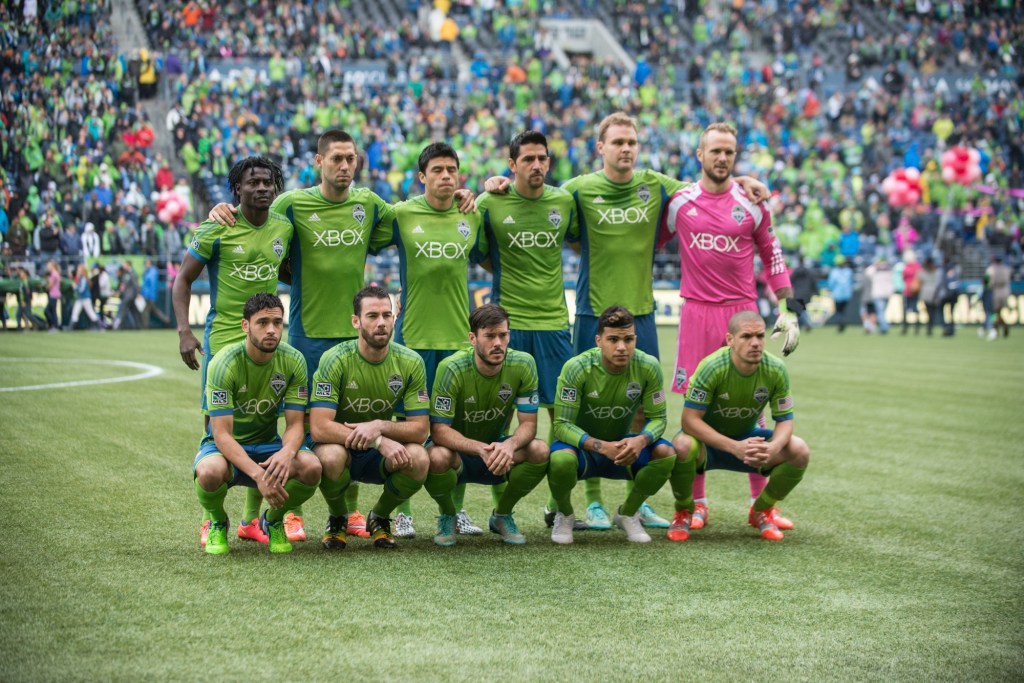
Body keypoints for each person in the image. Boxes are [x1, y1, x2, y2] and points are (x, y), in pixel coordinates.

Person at [489, 113, 767, 530]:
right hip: (590, 313)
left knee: (642, 408)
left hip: (642, 312)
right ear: (600, 148)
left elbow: (710, 190)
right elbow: (536, 196)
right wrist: (500, 183)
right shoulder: (579, 190)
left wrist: (743, 181)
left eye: (632, 143)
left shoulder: (654, 185)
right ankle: (594, 501)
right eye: (617, 142)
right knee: (582, 406)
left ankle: (637, 502)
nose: (626, 149)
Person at [209, 130, 476, 540]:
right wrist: (223, 209)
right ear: (319, 162)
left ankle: (350, 512)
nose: (345, 165)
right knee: (285, 425)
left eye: (351, 158)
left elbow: (419, 213)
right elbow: (259, 222)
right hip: (307, 334)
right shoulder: (293, 203)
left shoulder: (369, 204)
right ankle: (269, 515)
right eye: (336, 158)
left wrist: (465, 194)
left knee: (350, 422)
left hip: (356, 334)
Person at [657, 122, 799, 535]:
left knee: (752, 404)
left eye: (730, 152)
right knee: (694, 409)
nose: (722, 158)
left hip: (743, 312)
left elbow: (773, 255)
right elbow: (649, 242)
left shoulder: (753, 202)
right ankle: (696, 505)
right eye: (715, 151)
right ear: (699, 155)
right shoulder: (679, 202)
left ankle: (761, 505)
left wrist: (789, 309)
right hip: (697, 312)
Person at [172, 155, 294, 545]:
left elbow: (291, 270)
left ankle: (250, 519)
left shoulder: (284, 228)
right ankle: (213, 518)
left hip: (266, 338)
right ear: (236, 189)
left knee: (264, 424)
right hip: (223, 339)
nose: (261, 188)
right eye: (252, 182)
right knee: (216, 428)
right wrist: (183, 332)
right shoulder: (216, 227)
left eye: (268, 182)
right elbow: (182, 280)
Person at [376, 141, 485, 539]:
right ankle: (402, 512)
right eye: (436, 170)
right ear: (421, 176)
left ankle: (452, 512)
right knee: (405, 427)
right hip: (412, 340)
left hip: (458, 340)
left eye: (451, 170)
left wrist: (492, 186)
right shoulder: (402, 214)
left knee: (454, 431)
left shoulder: (470, 214)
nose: (445, 176)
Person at [474, 130, 582, 530]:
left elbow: (576, 242)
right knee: (501, 417)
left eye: (543, 158)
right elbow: (484, 256)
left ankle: (559, 508)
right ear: (511, 163)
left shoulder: (564, 202)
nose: (537, 165)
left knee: (561, 415)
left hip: (554, 323)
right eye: (528, 159)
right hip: (509, 325)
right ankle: (503, 512)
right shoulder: (490, 203)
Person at [193, 292, 321, 555]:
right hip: (225, 446)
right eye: (262, 322)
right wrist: (259, 475)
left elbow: (296, 424)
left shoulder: (293, 360)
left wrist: (286, 453)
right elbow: (221, 434)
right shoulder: (223, 364)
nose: (271, 330)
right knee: (208, 472)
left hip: (267, 444)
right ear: (245, 326)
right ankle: (217, 521)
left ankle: (273, 520)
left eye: (277, 322)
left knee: (311, 467)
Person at [308, 286, 430, 550]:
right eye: (372, 316)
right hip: (340, 447)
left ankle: (379, 517)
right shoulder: (335, 360)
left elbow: (421, 431)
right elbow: (318, 428)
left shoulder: (411, 362)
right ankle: (339, 518)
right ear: (356, 321)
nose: (381, 323)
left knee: (419, 458)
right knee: (329, 457)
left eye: (387, 315)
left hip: (376, 453)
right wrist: (378, 441)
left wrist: (378, 427)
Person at [672, 311, 810, 541]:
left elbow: (785, 420)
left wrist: (773, 447)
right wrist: (734, 447)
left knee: (799, 450)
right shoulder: (712, 366)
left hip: (749, 440)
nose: (755, 343)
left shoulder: (775, 369)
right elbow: (689, 420)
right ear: (730, 340)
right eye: (746, 336)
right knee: (682, 445)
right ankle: (685, 510)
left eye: (759, 336)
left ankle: (761, 510)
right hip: (709, 445)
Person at [546, 306, 678, 545]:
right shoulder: (577, 367)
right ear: (599, 340)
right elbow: (561, 425)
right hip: (585, 452)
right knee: (560, 460)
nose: (621, 347)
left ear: (635, 339)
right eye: (613, 339)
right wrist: (601, 446)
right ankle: (564, 514)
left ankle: (627, 513)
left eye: (628, 339)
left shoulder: (648, 366)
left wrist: (641, 439)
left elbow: (659, 418)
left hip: (624, 449)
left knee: (666, 453)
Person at [423, 304, 550, 546]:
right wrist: (481, 448)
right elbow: (439, 430)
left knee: (540, 450)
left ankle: (502, 515)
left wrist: (509, 445)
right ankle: (448, 515)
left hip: (498, 451)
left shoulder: (523, 364)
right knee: (436, 456)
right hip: (459, 452)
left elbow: (529, 425)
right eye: (490, 336)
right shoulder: (451, 368)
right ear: (473, 338)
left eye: (503, 335)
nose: (498, 343)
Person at [983, 255, 1011, 340]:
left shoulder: (991, 269)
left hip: (995, 291)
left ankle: (995, 329)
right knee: (998, 312)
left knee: (993, 313)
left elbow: (986, 280)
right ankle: (1004, 325)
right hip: (1005, 291)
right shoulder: (1006, 269)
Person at [68, 264, 102, 330]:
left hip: (85, 298)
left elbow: (81, 289)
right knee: (75, 312)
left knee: (90, 312)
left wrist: (75, 287)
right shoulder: (80, 278)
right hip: (80, 298)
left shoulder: (84, 279)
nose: (78, 271)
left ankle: (97, 326)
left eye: (79, 270)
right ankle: (71, 327)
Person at [140, 258, 170, 328]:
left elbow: (153, 285)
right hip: (147, 295)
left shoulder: (152, 272)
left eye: (147, 263)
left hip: (149, 295)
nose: (146, 264)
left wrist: (152, 296)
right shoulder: (148, 271)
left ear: (150, 263)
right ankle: (166, 320)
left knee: (146, 311)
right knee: (154, 311)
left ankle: (145, 326)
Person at [827, 256, 853, 332]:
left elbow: (831, 283)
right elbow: (851, 282)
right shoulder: (848, 271)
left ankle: (840, 323)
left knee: (838, 311)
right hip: (846, 295)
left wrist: (830, 290)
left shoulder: (834, 272)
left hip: (837, 294)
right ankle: (842, 321)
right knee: (843, 310)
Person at [43, 260, 61, 331]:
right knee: (52, 311)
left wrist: (44, 287)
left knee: (49, 311)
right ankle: (54, 325)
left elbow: (50, 285)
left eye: (49, 266)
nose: (47, 267)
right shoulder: (56, 273)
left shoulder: (54, 274)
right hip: (55, 294)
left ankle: (54, 325)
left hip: (53, 294)